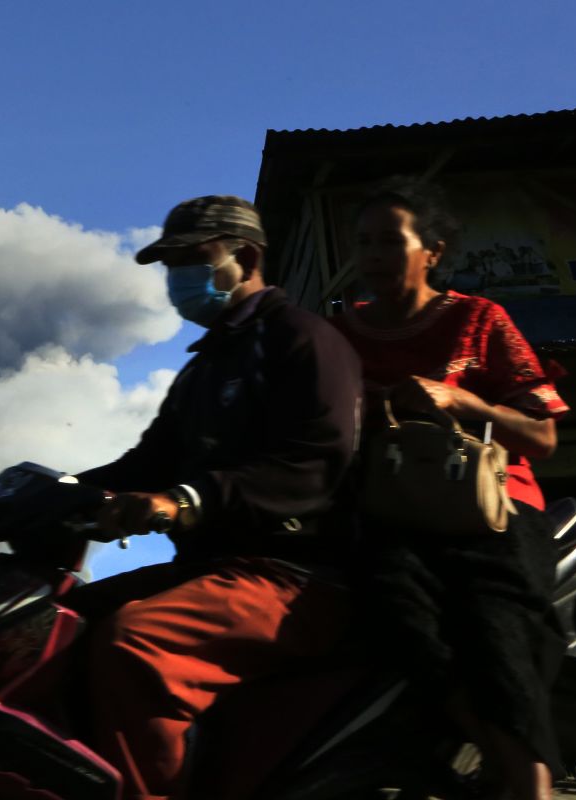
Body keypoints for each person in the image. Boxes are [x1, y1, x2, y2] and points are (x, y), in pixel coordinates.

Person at [70, 195, 364, 800]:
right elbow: (146, 464)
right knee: (57, 626)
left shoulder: (302, 340)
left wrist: (184, 502)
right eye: (170, 263)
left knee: (135, 646)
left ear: (247, 256)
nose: (177, 277)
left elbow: (316, 463)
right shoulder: (203, 369)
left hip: (293, 577)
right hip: (212, 572)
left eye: (190, 258)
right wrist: (59, 492)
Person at [329, 179, 569, 800]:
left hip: (491, 509)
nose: (374, 254)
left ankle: (530, 784)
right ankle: (493, 757)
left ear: (431, 250)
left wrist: (459, 400)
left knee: (499, 627)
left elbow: (541, 438)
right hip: (387, 512)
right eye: (363, 243)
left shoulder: (479, 319)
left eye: (390, 240)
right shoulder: (336, 334)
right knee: (393, 614)